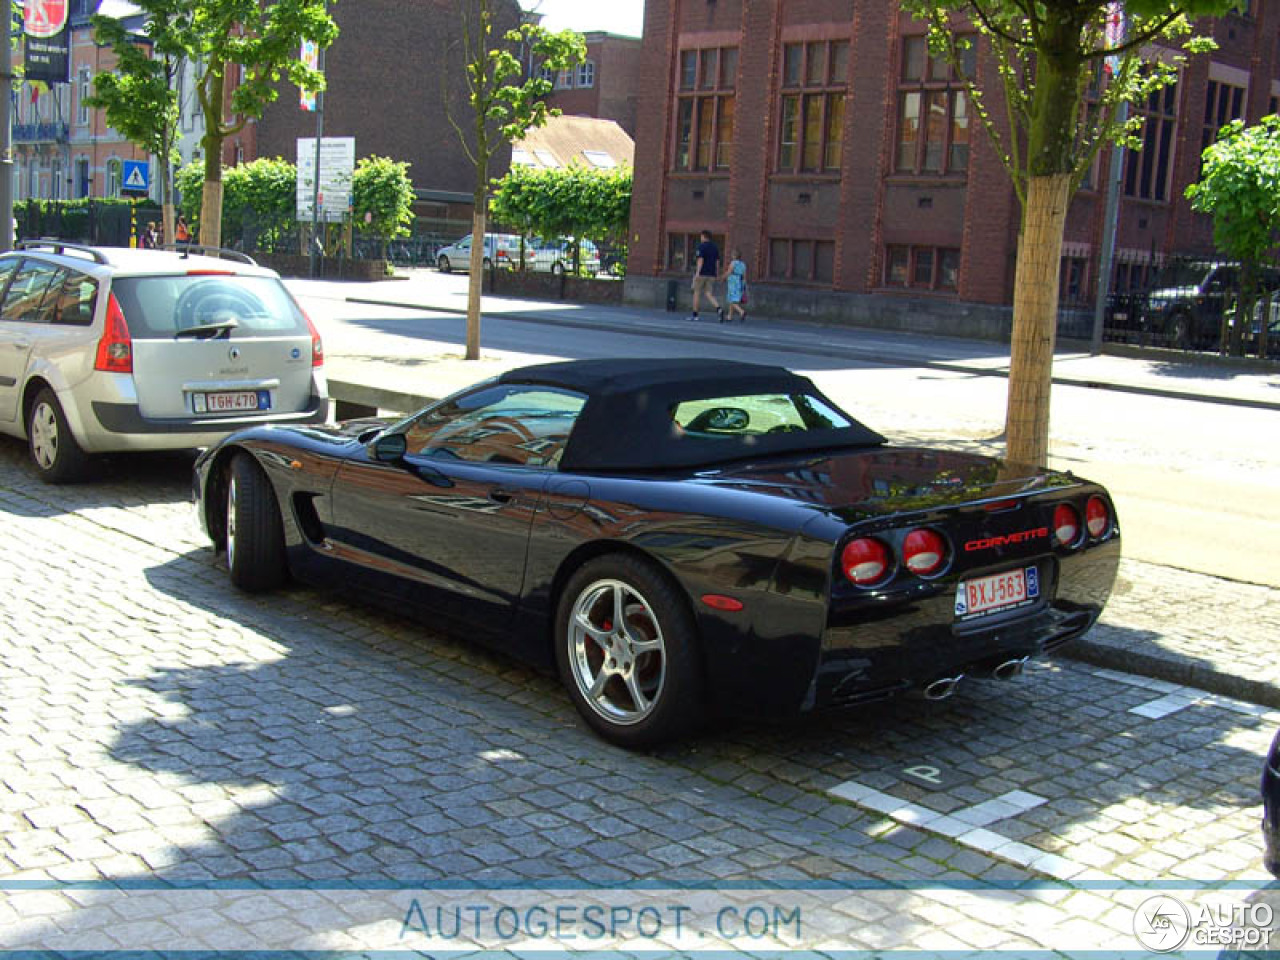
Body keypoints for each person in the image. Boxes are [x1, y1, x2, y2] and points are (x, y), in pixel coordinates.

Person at [689, 229, 721, 322]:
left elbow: (700, 260)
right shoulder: (715, 247)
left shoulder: (701, 246)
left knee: (696, 292)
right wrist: (716, 273)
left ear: (703, 236)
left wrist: (697, 273)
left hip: (702, 273)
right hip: (711, 274)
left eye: (701, 236)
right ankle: (718, 308)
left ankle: (695, 315)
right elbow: (717, 262)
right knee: (708, 293)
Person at [722, 248, 748, 323]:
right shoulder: (743, 264)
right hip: (740, 282)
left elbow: (729, 272)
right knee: (734, 299)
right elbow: (744, 276)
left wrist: (723, 277)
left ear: (734, 256)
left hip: (733, 282)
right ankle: (729, 316)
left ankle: (741, 311)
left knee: (731, 299)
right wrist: (744, 284)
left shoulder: (733, 263)